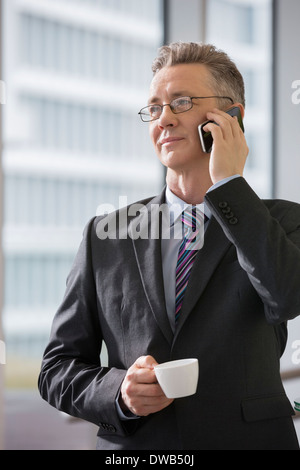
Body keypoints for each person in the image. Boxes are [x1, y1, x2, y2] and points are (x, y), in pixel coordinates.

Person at [38, 41, 300, 450]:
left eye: (181, 102)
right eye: (155, 107)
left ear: (231, 117)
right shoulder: (106, 235)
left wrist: (229, 186)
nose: (163, 119)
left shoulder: (282, 222)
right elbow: (56, 369)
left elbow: (287, 296)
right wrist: (120, 393)